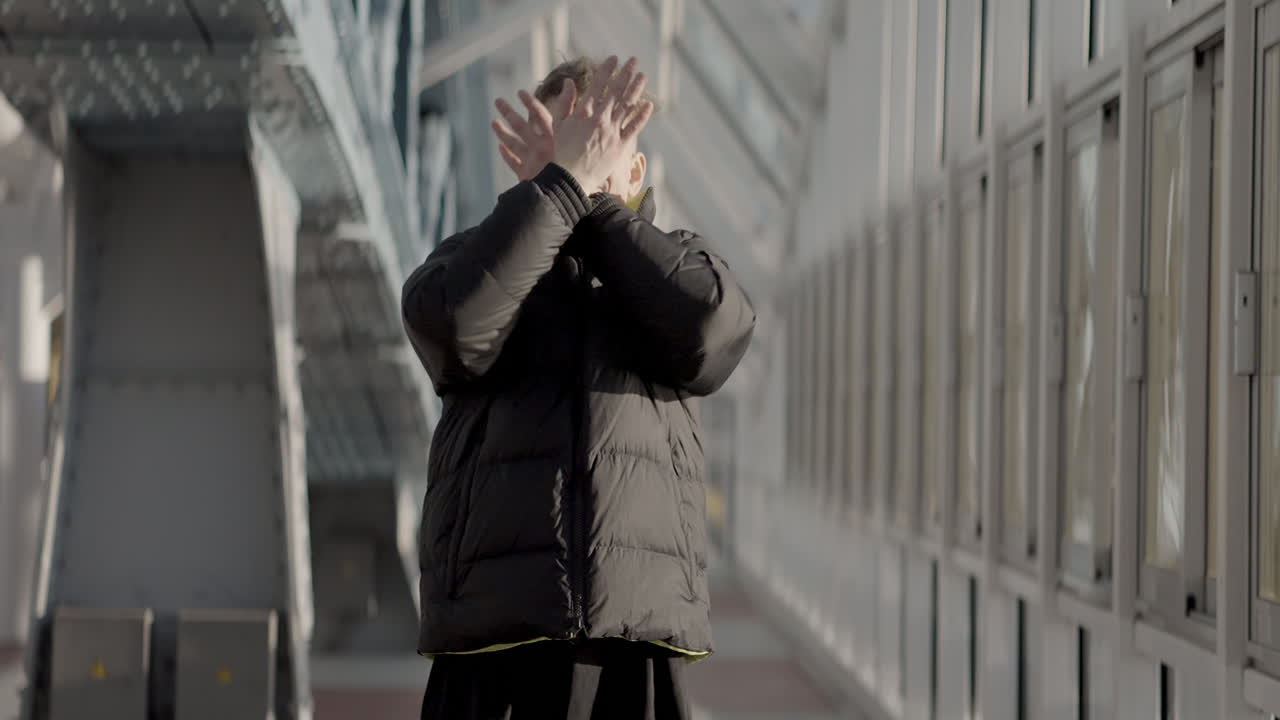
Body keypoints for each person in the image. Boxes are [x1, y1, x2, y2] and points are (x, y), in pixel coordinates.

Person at [401, 55, 756, 719]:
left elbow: (709, 332)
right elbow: (451, 328)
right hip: (491, 646)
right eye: (566, 146)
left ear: (637, 171)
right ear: (527, 165)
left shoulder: (682, 264)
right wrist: (563, 188)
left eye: (598, 145)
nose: (583, 159)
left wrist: (584, 201)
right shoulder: (471, 261)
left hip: (632, 645)